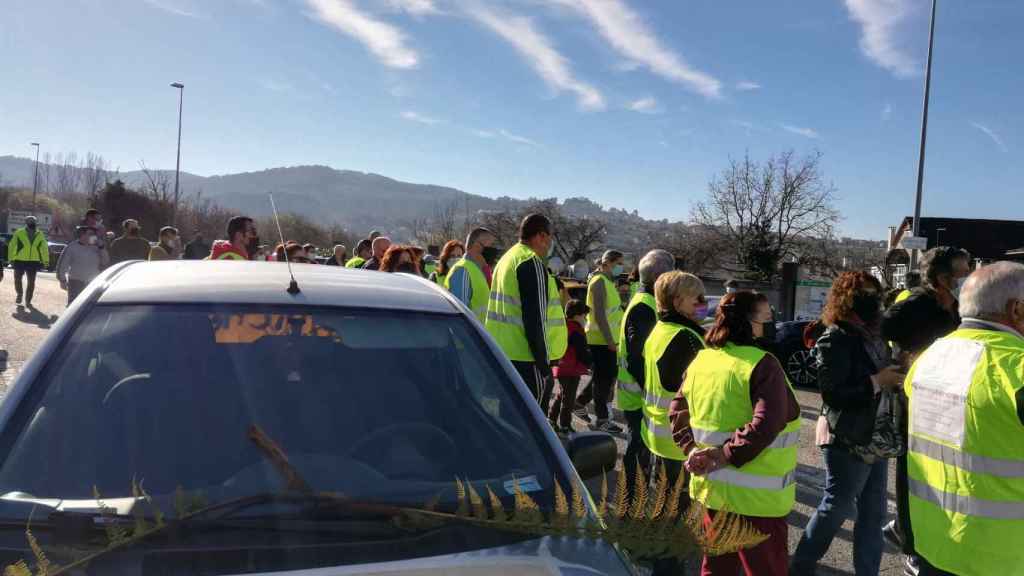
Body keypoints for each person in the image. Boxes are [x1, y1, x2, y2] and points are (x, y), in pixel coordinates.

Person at [899, 261, 1024, 576]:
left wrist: (909, 541)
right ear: (1017, 310)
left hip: (936, 546)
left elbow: (906, 460)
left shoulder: (926, 360)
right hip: (1005, 559)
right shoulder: (1017, 369)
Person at [672, 290, 801, 575]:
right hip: (758, 503)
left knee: (717, 569)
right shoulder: (763, 364)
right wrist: (724, 454)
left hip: (713, 493)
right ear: (750, 322)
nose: (771, 324)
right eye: (767, 318)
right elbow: (767, 423)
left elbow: (677, 413)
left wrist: (692, 450)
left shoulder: (702, 361)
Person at [790, 271, 904, 576]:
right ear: (844, 300)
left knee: (874, 512)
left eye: (874, 294)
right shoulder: (835, 337)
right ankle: (801, 565)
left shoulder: (877, 335)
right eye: (863, 295)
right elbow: (834, 394)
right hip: (847, 436)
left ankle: (867, 572)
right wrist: (877, 380)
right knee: (836, 506)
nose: (872, 302)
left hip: (876, 435)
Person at [485, 213, 567, 402]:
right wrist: (544, 365)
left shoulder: (507, 258)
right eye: (550, 236)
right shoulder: (531, 261)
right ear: (541, 236)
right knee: (532, 423)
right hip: (527, 359)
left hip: (503, 353)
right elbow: (535, 318)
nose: (550, 243)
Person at [617, 249, 675, 500]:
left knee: (642, 448)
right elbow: (637, 359)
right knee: (638, 448)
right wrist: (654, 392)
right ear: (660, 276)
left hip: (641, 395)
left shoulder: (647, 302)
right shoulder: (644, 307)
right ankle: (631, 499)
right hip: (638, 396)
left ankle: (634, 497)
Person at [573, 250, 626, 433]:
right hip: (601, 339)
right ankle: (602, 419)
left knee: (601, 377)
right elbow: (600, 315)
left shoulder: (608, 282)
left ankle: (579, 403)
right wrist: (609, 339)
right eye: (619, 263)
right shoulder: (599, 282)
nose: (622, 267)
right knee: (604, 381)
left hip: (606, 339)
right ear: (608, 263)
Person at [548, 299, 592, 435]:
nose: (585, 319)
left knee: (562, 395)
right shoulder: (576, 330)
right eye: (584, 316)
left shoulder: (565, 326)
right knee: (569, 399)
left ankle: (551, 419)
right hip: (570, 369)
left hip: (562, 367)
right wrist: (590, 362)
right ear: (577, 315)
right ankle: (565, 426)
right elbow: (582, 352)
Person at [446, 227, 495, 322]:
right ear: (477, 246)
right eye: (491, 245)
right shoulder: (463, 270)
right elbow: (460, 317)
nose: (493, 250)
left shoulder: (481, 270)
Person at [56, 226, 109, 305]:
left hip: (93, 282)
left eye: (94, 234)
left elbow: (105, 261)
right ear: (82, 235)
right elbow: (63, 264)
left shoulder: (97, 247)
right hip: (76, 282)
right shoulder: (72, 247)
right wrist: (62, 280)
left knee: (90, 307)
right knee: (74, 305)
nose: (93, 236)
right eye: (90, 234)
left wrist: (101, 248)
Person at [8, 216, 48, 307]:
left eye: (33, 221)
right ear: (26, 222)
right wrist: (11, 258)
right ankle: (19, 294)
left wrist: (45, 261)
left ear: (36, 222)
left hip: (33, 261)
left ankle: (28, 300)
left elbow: (44, 248)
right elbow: (12, 245)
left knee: (31, 282)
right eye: (30, 221)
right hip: (19, 260)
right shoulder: (19, 233)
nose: (32, 223)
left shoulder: (40, 234)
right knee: (17, 279)